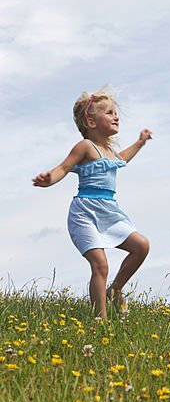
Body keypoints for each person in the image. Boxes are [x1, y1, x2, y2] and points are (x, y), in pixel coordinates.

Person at [33, 91, 152, 319]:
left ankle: (114, 290)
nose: (116, 117)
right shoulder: (85, 146)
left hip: (109, 211)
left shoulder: (109, 152)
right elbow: (62, 168)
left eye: (116, 113)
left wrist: (140, 142)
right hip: (85, 213)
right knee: (100, 265)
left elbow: (122, 158)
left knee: (141, 246)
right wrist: (49, 180)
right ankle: (101, 321)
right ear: (91, 122)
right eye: (109, 113)